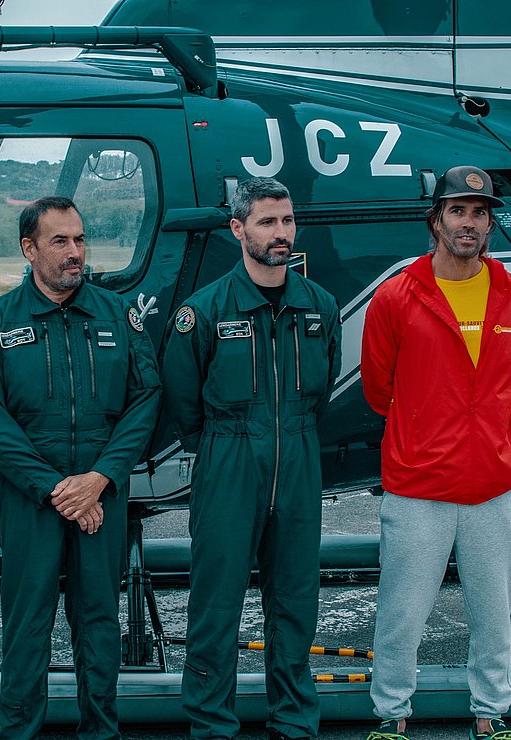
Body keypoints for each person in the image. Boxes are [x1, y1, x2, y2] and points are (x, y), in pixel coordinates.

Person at [0, 196, 160, 740]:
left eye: (79, 239)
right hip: (30, 492)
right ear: (28, 249)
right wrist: (56, 490)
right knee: (27, 622)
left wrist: (98, 480)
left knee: (98, 619)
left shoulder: (118, 315)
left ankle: (100, 731)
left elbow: (147, 400)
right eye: (60, 241)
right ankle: (18, 732)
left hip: (102, 486)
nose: (75, 252)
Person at [162, 177, 342, 740]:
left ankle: (293, 722)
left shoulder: (319, 306)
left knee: (294, 601)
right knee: (216, 604)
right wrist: (226, 444)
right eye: (267, 222)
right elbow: (184, 399)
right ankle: (211, 723)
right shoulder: (205, 310)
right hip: (229, 458)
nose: (281, 233)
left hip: (298, 458)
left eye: (287, 221)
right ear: (238, 229)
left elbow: (324, 384)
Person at [360, 165, 511, 740]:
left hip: (495, 484)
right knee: (402, 613)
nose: (469, 223)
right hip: (418, 486)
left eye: (479, 213)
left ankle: (490, 713)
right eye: (457, 211)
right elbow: (378, 388)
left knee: (494, 614)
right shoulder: (397, 297)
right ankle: (391, 716)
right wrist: (427, 427)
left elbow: (503, 380)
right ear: (436, 220)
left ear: (489, 224)